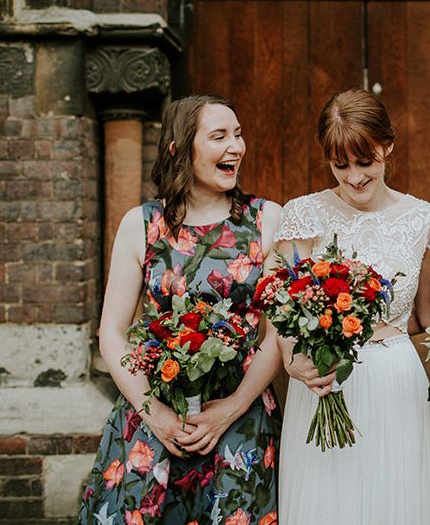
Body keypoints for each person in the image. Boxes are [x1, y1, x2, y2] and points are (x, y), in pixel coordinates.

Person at [78, 96, 281, 523]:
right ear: (179, 148)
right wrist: (157, 416)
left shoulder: (267, 220)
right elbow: (112, 333)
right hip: (152, 420)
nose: (236, 147)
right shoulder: (141, 225)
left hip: (238, 421)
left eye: (239, 134)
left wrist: (233, 406)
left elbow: (279, 334)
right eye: (219, 136)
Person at [274, 89, 430, 525]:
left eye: (365, 162)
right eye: (340, 165)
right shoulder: (303, 213)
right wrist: (295, 360)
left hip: (398, 384)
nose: (354, 177)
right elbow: (283, 306)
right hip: (324, 381)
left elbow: (427, 312)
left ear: (387, 145)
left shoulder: (422, 218)